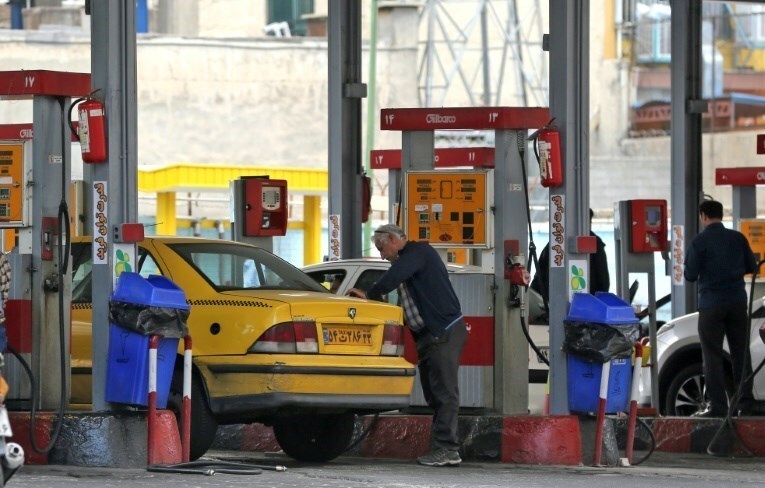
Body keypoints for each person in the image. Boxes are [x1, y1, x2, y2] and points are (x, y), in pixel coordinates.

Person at [347, 224, 467, 467]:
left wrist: (370, 293)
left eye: (382, 248)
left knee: (444, 393)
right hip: (427, 336)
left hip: (442, 331)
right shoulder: (406, 260)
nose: (382, 255)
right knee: (434, 394)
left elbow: (393, 278)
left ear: (393, 239)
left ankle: (447, 449)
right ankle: (443, 447)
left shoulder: (418, 252)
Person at [684, 200, 756, 417]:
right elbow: (752, 267)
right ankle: (745, 404)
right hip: (737, 303)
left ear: (703, 216)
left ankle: (717, 407)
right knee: (741, 354)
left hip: (711, 305)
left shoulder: (699, 242)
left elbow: (689, 275)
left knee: (712, 355)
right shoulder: (737, 238)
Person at [529, 209, 610, 321]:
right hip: (588, 311)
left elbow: (539, 279)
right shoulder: (596, 244)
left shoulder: (555, 243)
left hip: (554, 309)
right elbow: (603, 281)